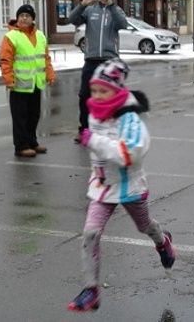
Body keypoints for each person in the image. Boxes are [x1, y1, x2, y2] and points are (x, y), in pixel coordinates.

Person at [67, 59, 175, 312]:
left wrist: (93, 141)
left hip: (129, 188)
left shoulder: (130, 118)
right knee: (91, 233)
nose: (97, 96)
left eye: (103, 91)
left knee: (144, 226)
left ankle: (163, 242)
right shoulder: (94, 112)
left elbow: (130, 154)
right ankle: (91, 290)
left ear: (117, 90)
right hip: (103, 187)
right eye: (94, 91)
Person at [68, 0, 128, 142]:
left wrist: (112, 6)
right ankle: (84, 130)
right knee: (85, 96)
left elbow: (123, 24)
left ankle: (110, 129)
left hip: (109, 61)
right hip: (91, 59)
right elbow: (72, 19)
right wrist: (82, 4)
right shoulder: (90, 10)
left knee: (111, 96)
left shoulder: (116, 10)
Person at [0, 4, 55, 157]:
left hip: (35, 83)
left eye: (27, 16)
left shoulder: (41, 36)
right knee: (20, 117)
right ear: (17, 19)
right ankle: (21, 146)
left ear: (32, 19)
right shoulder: (11, 36)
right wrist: (8, 79)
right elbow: (5, 60)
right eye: (21, 15)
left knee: (34, 115)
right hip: (18, 85)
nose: (24, 18)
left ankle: (32, 141)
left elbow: (46, 58)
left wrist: (50, 74)